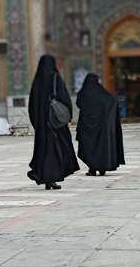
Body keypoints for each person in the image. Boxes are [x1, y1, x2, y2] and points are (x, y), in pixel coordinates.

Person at [27, 55, 79, 190]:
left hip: (43, 126)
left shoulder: (37, 82)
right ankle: (52, 178)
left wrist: (37, 123)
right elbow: (64, 98)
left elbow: (32, 105)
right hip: (56, 123)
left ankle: (46, 178)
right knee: (56, 150)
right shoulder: (55, 78)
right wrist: (67, 118)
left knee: (45, 151)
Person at [76, 73, 125, 176]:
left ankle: (92, 169)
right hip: (101, 126)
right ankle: (102, 168)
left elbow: (78, 104)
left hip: (86, 127)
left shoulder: (83, 93)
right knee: (101, 146)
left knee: (88, 147)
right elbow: (112, 101)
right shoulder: (102, 93)